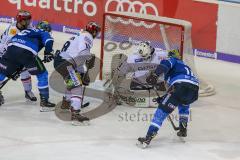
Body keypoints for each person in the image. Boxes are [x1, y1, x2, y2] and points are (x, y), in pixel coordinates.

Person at [137, 49, 199, 148]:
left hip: (180, 86)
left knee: (161, 112)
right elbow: (175, 93)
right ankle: (183, 129)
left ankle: (149, 136)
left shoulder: (173, 60)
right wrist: (164, 98)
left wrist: (155, 75)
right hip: (194, 91)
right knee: (184, 105)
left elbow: (166, 64)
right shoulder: (184, 66)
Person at [0, 21, 56, 112]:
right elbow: (49, 41)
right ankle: (45, 102)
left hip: (10, 50)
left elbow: (14, 44)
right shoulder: (43, 32)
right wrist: (48, 52)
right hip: (27, 53)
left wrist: (14, 69)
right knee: (42, 74)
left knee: (2, 73)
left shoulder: (27, 30)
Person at [53, 21, 101, 125]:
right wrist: (90, 58)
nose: (97, 34)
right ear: (93, 31)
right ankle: (75, 114)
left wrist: (83, 73)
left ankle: (66, 103)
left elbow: (77, 58)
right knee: (77, 85)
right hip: (65, 63)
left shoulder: (79, 35)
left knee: (74, 80)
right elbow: (83, 53)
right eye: (96, 32)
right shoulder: (87, 36)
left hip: (62, 61)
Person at [0, 10, 37, 101]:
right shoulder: (12, 31)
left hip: (19, 52)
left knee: (25, 71)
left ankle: (28, 92)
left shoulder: (29, 26)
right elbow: (6, 48)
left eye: (29, 19)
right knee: (3, 72)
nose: (29, 22)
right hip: (5, 53)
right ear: (20, 20)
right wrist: (12, 68)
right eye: (26, 20)